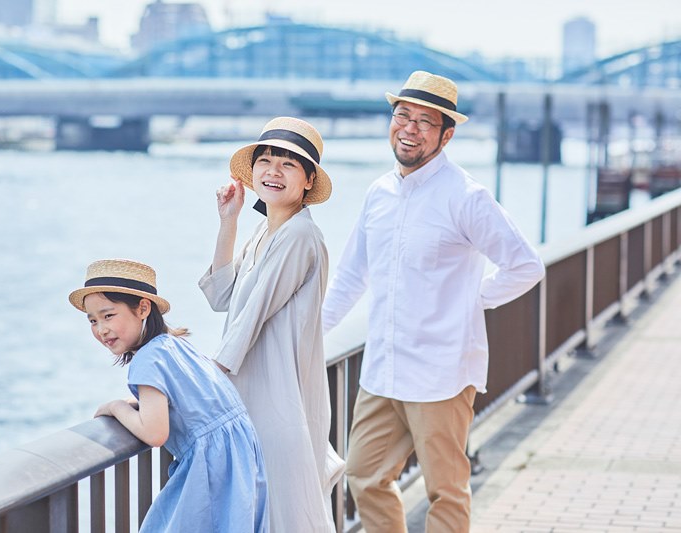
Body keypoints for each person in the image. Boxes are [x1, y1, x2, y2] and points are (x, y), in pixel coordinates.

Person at [321, 70, 546, 533]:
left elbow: (525, 265)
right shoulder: (378, 193)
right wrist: (308, 335)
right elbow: (351, 275)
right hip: (383, 368)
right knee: (363, 477)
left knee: (445, 488)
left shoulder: (467, 197)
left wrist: (473, 300)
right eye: (402, 115)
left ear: (447, 135)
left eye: (426, 121)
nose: (410, 127)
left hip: (442, 371)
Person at [199, 117, 345, 532]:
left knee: (283, 513)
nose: (273, 172)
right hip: (255, 395)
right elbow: (221, 297)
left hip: (278, 398)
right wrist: (229, 220)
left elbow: (249, 321)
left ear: (308, 180)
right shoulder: (266, 229)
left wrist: (198, 386)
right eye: (265, 161)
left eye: (288, 164)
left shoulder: (300, 235)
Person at [69, 258, 268, 533]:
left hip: (211, 468)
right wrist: (139, 405)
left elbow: (154, 433)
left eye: (108, 315)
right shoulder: (174, 346)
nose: (101, 329)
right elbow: (189, 403)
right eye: (92, 320)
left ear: (142, 308)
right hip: (239, 461)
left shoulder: (147, 360)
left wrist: (116, 407)